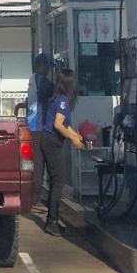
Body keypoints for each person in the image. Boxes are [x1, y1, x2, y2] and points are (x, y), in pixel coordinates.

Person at [39, 68, 84, 237]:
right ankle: (52, 221)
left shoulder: (58, 99)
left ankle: (53, 220)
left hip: (49, 140)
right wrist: (72, 138)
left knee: (56, 180)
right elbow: (58, 124)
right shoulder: (63, 100)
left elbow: (64, 125)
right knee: (59, 181)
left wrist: (75, 135)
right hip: (52, 142)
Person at [25, 54, 54, 212]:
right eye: (47, 66)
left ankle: (36, 196)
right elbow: (53, 90)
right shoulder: (40, 80)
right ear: (42, 66)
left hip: (34, 126)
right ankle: (34, 198)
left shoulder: (32, 79)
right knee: (39, 164)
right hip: (38, 128)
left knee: (38, 163)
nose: (48, 70)